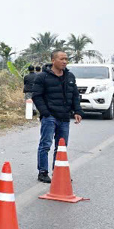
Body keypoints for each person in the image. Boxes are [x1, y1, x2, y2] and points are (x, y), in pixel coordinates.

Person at [31, 51, 83, 183]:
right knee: (45, 144)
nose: (65, 61)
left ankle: (59, 171)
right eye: (62, 59)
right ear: (53, 60)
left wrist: (77, 111)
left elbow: (75, 95)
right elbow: (37, 96)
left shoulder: (70, 77)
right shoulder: (42, 77)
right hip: (50, 117)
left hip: (64, 117)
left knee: (62, 147)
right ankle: (43, 172)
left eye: (66, 59)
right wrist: (45, 113)